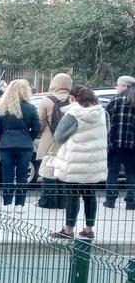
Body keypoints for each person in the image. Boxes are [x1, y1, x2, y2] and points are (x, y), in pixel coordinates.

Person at [50, 86, 109, 240]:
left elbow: (59, 136)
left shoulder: (74, 114)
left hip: (76, 160)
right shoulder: (102, 112)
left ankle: (68, 230)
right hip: (94, 160)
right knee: (90, 194)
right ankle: (89, 229)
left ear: (74, 98)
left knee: (73, 195)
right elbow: (106, 131)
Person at [0, 79, 41, 212]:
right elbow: (37, 127)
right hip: (25, 144)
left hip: (6, 144)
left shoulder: (2, 108)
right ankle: (20, 204)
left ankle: (7, 203)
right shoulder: (30, 108)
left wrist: (3, 138)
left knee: (7, 174)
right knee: (22, 175)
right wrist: (28, 138)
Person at [103, 75, 135, 210]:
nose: (116, 87)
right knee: (131, 172)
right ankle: (131, 201)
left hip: (114, 143)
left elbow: (104, 119)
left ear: (124, 86)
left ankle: (110, 200)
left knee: (113, 172)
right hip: (132, 144)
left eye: (118, 85)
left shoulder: (114, 100)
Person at [36, 73, 72, 181]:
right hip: (69, 142)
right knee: (65, 175)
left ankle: (49, 197)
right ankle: (63, 198)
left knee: (49, 174)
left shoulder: (46, 100)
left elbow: (40, 122)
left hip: (49, 142)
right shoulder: (74, 99)